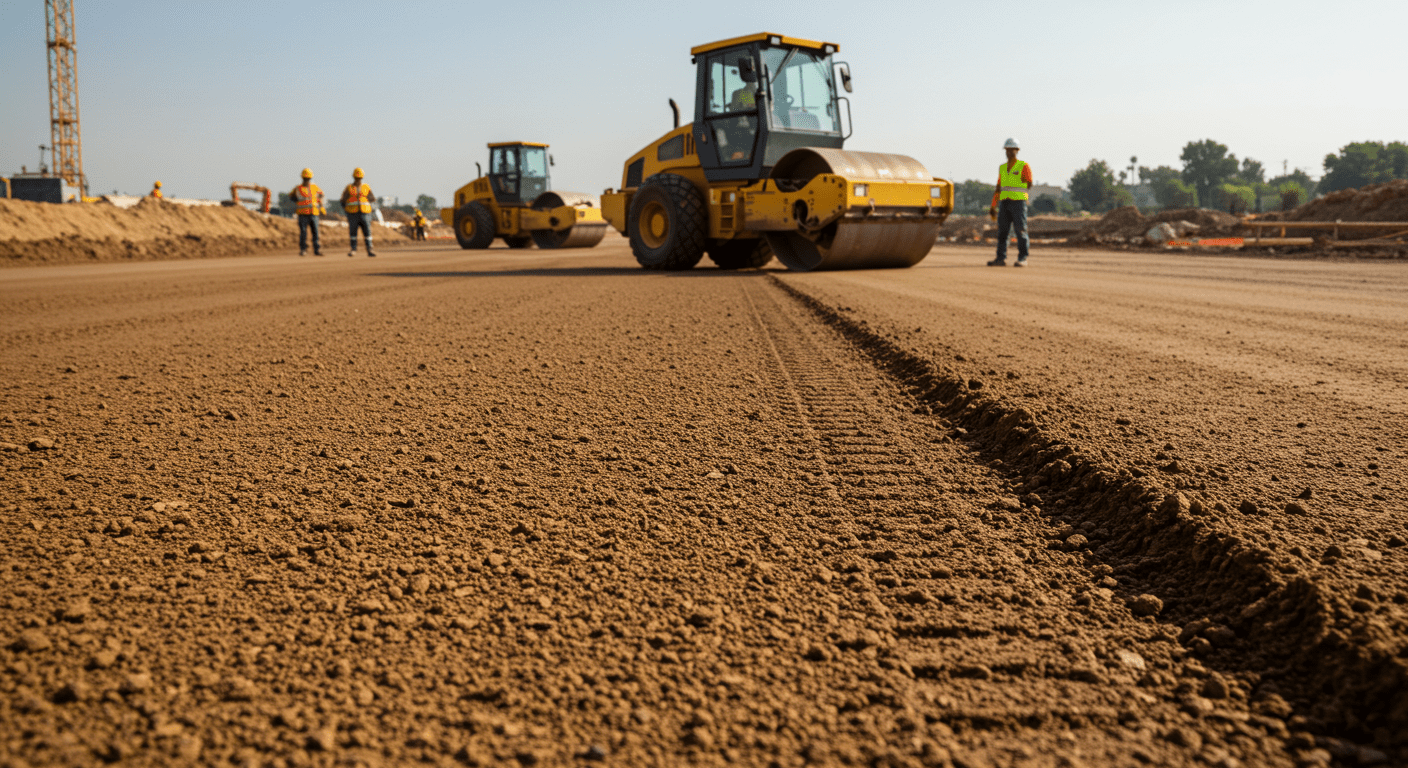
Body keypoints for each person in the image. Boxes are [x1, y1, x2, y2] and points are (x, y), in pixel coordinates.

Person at [987, 138, 1033, 267]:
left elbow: (1029, 183)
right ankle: (1000, 258)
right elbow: (998, 188)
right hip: (1004, 203)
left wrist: (1018, 194)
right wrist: (993, 205)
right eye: (1007, 150)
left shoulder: (1023, 166)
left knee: (1021, 231)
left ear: (1017, 150)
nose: (1009, 152)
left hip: (1018, 203)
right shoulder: (1002, 168)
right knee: (1002, 232)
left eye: (1012, 149)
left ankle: (1022, 258)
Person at [340, 168, 376, 257]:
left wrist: (369, 208)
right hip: (353, 214)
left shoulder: (366, 187)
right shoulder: (349, 188)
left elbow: (372, 199)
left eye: (359, 178)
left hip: (365, 213)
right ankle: (353, 249)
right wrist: (347, 210)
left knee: (367, 232)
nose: (358, 180)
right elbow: (343, 200)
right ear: (354, 177)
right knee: (353, 232)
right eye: (356, 178)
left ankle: (370, 249)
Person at [291, 168, 325, 257]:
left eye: (308, 178)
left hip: (313, 213)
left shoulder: (315, 187)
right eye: (306, 178)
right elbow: (292, 196)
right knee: (303, 232)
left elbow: (321, 195)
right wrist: (298, 202)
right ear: (302, 178)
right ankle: (303, 250)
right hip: (302, 213)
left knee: (316, 232)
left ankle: (317, 249)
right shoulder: (298, 188)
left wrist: (321, 206)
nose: (307, 180)